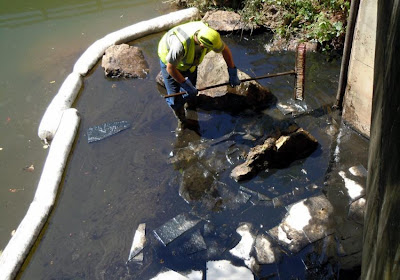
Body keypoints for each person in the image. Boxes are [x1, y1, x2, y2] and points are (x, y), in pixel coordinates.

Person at [158, 21, 241, 134]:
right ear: (202, 45)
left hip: (189, 64)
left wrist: (232, 72)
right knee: (175, 99)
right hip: (169, 60)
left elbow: (225, 51)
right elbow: (171, 69)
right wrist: (185, 84)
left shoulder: (212, 36)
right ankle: (182, 120)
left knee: (192, 90)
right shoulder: (180, 46)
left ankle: (191, 107)